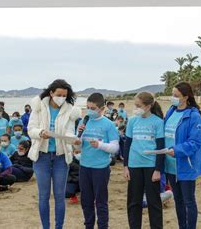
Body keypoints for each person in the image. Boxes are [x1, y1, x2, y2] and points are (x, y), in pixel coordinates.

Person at [27, 79, 81, 229]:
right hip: (41, 156)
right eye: (59, 94)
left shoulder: (70, 110)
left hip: (61, 157)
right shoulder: (38, 107)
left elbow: (70, 130)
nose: (61, 98)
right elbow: (31, 129)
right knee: (43, 196)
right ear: (51, 93)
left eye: (64, 95)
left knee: (59, 196)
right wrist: (40, 133)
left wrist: (72, 139)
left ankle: (59, 227)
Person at [76, 92, 119, 229]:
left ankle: (102, 226)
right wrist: (78, 138)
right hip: (84, 166)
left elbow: (115, 148)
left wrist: (100, 145)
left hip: (100, 168)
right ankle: (88, 225)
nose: (89, 111)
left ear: (102, 108)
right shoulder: (84, 122)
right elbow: (77, 146)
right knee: (86, 200)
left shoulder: (109, 125)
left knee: (101, 201)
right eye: (88, 107)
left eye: (93, 108)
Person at [165, 82, 201, 229]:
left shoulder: (194, 116)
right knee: (178, 200)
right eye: (172, 94)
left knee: (188, 200)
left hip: (185, 164)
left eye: (176, 95)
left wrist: (178, 150)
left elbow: (195, 142)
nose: (173, 98)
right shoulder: (170, 111)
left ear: (186, 97)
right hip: (170, 165)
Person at [124, 92, 165, 229]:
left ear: (147, 106)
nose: (135, 108)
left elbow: (161, 148)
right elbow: (127, 144)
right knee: (134, 202)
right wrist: (125, 166)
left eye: (138, 105)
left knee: (154, 202)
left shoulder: (158, 122)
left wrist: (158, 170)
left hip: (151, 166)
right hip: (134, 165)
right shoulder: (132, 121)